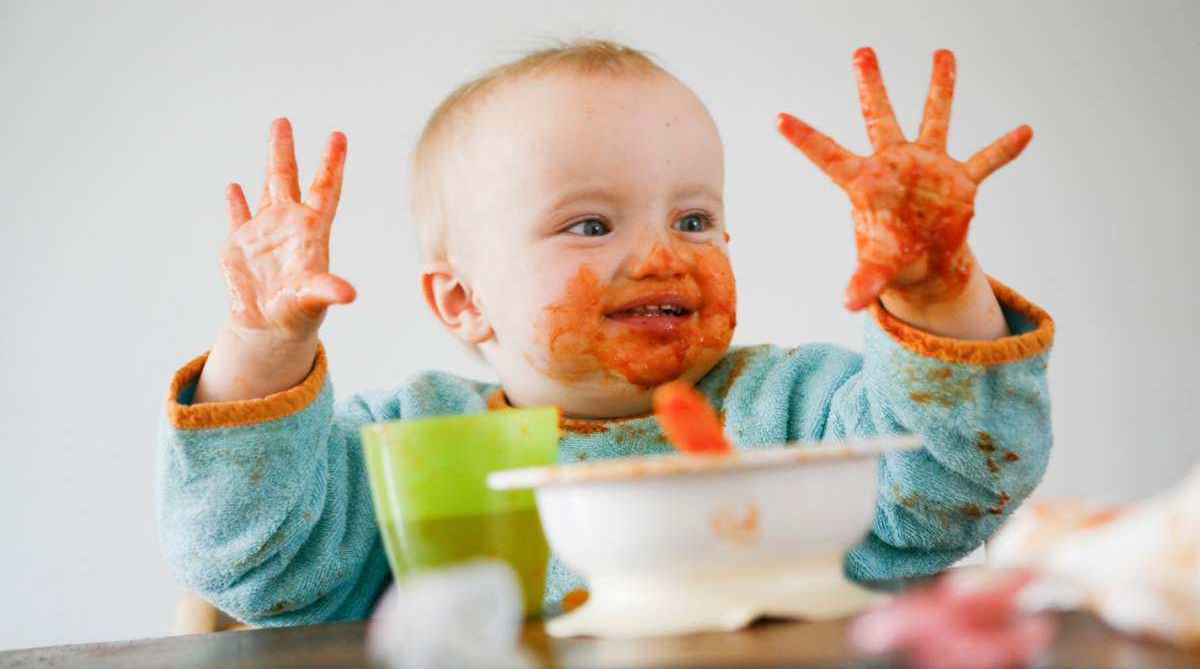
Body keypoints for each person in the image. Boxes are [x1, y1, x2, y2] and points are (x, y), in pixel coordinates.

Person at [157, 40, 1053, 627]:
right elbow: (258, 565)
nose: (663, 254)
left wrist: (939, 291)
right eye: (590, 225)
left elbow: (956, 483)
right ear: (463, 300)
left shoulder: (798, 411)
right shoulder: (416, 447)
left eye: (695, 220)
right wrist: (264, 348)